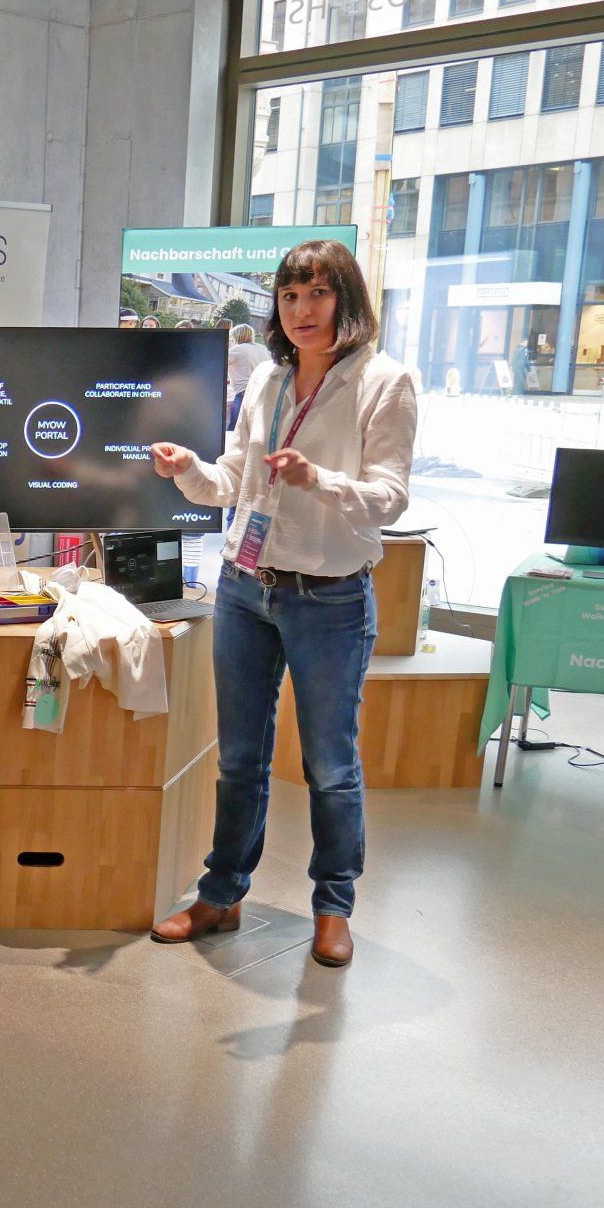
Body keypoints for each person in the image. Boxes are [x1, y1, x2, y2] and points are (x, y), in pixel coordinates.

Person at [147, 239, 416, 968]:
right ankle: (221, 893)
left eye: (318, 293)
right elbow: (234, 479)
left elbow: (390, 497)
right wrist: (189, 470)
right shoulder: (269, 377)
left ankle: (333, 906)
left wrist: (318, 480)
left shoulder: (384, 382)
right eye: (290, 296)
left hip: (329, 597)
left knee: (330, 764)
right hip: (244, 588)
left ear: (346, 299)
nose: (302, 310)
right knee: (239, 758)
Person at [226, 322, 273, 430]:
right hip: (264, 392)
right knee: (254, 428)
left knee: (235, 428)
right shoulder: (263, 348)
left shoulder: (237, 349)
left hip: (244, 392)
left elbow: (219, 362)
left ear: (236, 336)